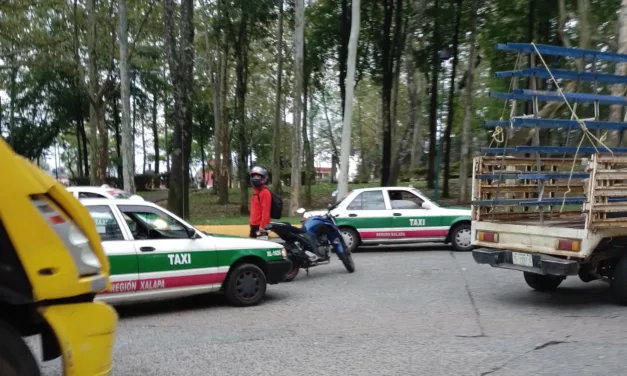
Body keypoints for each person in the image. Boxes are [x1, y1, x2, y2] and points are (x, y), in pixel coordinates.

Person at [249, 166, 272, 239]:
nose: (255, 178)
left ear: (263, 178)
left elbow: (266, 211)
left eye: (258, 176)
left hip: (260, 227)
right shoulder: (256, 192)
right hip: (254, 226)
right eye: (254, 176)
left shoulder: (265, 192)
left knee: (259, 248)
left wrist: (262, 226)